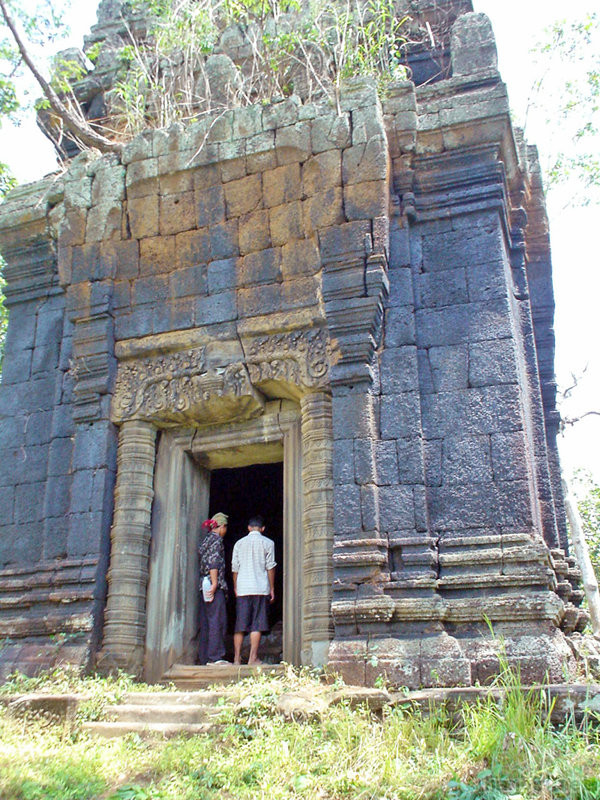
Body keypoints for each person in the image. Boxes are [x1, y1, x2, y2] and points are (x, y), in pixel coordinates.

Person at [231, 515, 276, 666]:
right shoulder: (268, 543)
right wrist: (272, 587)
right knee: (256, 624)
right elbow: (270, 567)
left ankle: (236, 659)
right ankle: (252, 658)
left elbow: (235, 567)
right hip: (260, 587)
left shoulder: (239, 543)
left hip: (243, 588)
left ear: (249, 528)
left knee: (240, 625)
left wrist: (236, 586)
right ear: (263, 529)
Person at [197, 511, 229, 665]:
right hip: (213, 584)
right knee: (217, 620)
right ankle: (215, 657)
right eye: (225, 527)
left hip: (203, 584)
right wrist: (215, 582)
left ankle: (205, 657)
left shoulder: (206, 541)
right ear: (221, 526)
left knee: (206, 621)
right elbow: (213, 561)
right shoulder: (217, 541)